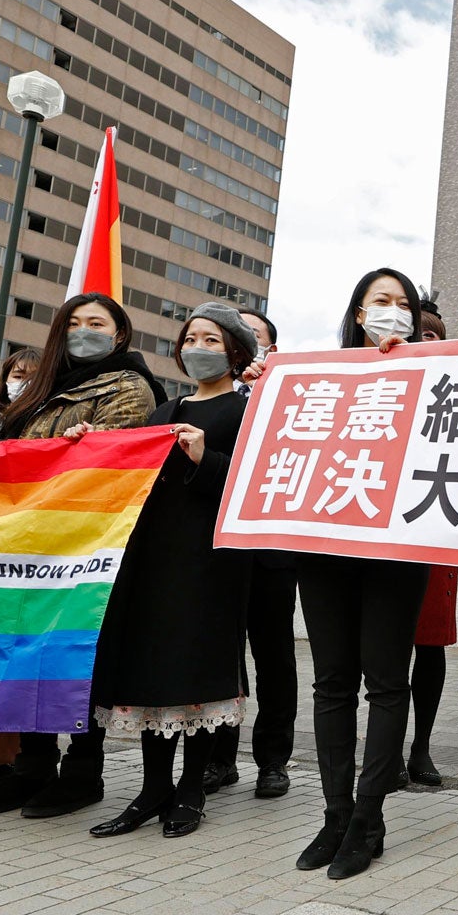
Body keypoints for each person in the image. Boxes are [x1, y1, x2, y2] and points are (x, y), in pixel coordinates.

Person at [246, 268, 430, 880]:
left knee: (385, 682)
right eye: (382, 302)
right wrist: (261, 389)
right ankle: (334, 811)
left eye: (404, 303)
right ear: (357, 312)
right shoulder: (317, 374)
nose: (394, 312)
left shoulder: (435, 366)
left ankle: (369, 817)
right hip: (323, 544)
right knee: (331, 683)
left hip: (397, 547)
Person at [0, 293, 163, 820]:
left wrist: (85, 447)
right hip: (30, 546)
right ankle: (31, 766)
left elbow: (118, 461)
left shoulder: (129, 387)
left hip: (89, 547)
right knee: (26, 650)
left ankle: (83, 771)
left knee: (78, 656)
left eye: (97, 323)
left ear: (119, 334)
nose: (83, 330)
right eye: (73, 322)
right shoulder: (42, 388)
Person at [87, 304, 255, 839]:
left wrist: (205, 458)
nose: (196, 347)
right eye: (190, 338)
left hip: (210, 561)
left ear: (235, 351)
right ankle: (152, 787)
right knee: (151, 671)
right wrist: (90, 444)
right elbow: (124, 469)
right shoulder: (164, 410)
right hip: (151, 558)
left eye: (210, 338)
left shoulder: (248, 409)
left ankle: (192, 789)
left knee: (195, 671)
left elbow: (254, 482)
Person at [207, 308, 296, 799]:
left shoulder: (289, 394)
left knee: (274, 657)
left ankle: (273, 761)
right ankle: (219, 759)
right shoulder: (207, 399)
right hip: (218, 547)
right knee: (222, 656)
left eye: (252, 336)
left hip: (270, 551)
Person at [402, 302, 457, 790]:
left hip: (434, 526)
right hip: (385, 532)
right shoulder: (381, 386)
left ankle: (421, 746)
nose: (424, 341)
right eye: (415, 332)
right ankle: (386, 747)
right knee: (386, 646)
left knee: (430, 643)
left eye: (433, 334)